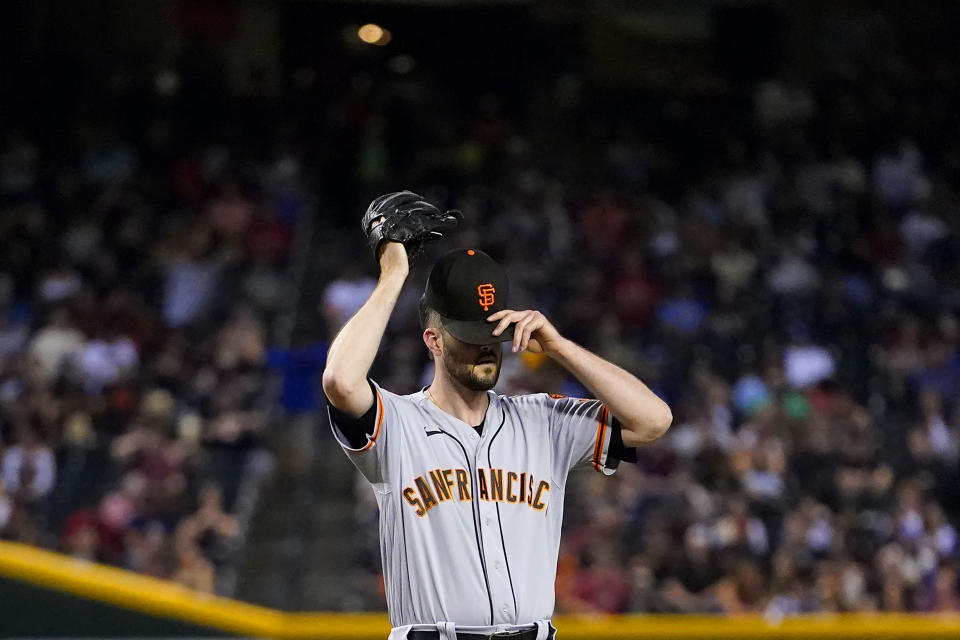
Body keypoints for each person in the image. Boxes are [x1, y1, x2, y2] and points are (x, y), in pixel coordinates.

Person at [322, 208, 672, 640]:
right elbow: (340, 380)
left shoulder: (544, 420)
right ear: (434, 340)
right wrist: (394, 273)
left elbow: (654, 420)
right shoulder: (396, 423)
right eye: (471, 338)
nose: (487, 349)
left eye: (494, 335)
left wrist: (560, 348)